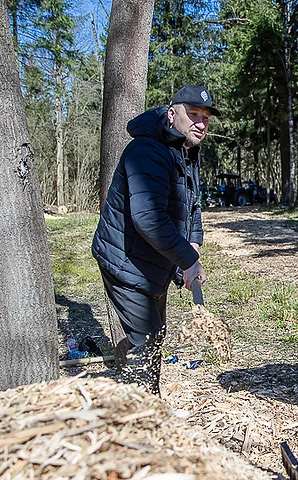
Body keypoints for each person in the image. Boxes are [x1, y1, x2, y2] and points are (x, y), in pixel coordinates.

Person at [92, 85, 218, 395]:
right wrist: (187, 261)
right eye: (193, 115)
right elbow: (148, 218)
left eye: (205, 117)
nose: (201, 123)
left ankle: (148, 407)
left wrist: (193, 245)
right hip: (127, 262)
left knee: (155, 337)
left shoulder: (186, 152)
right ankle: (141, 421)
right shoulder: (147, 151)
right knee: (144, 345)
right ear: (172, 113)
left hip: (154, 262)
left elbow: (192, 206)